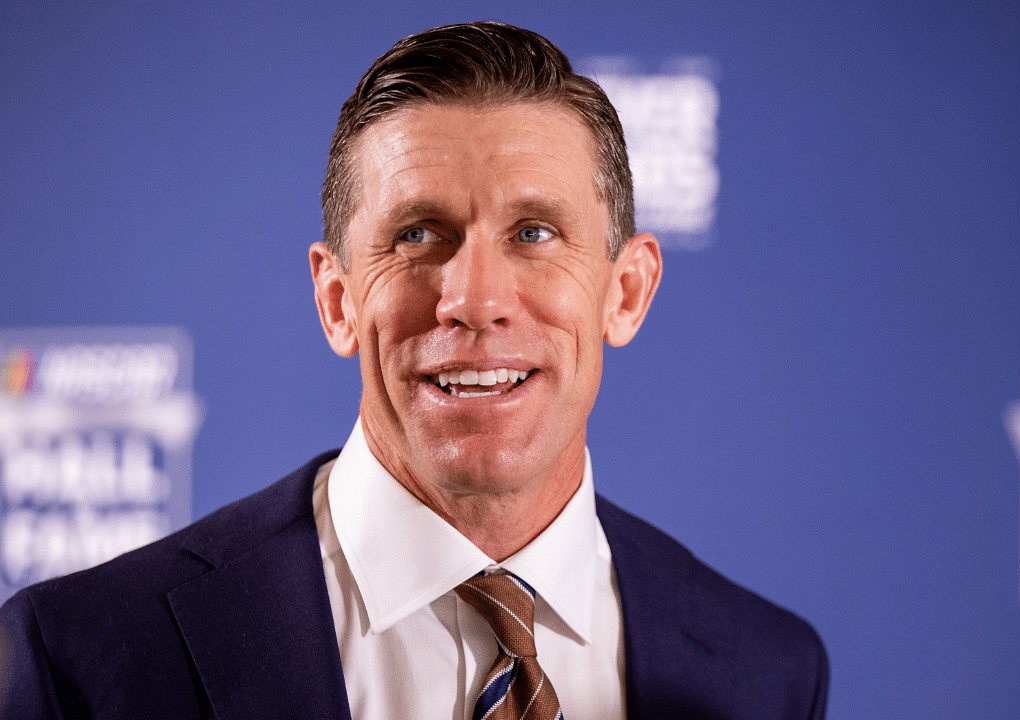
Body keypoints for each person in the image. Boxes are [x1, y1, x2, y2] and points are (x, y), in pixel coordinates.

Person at [0, 22, 828, 719]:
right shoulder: (83, 656)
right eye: (418, 234)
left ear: (628, 291)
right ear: (336, 301)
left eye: (534, 232)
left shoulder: (765, 671)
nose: (474, 299)